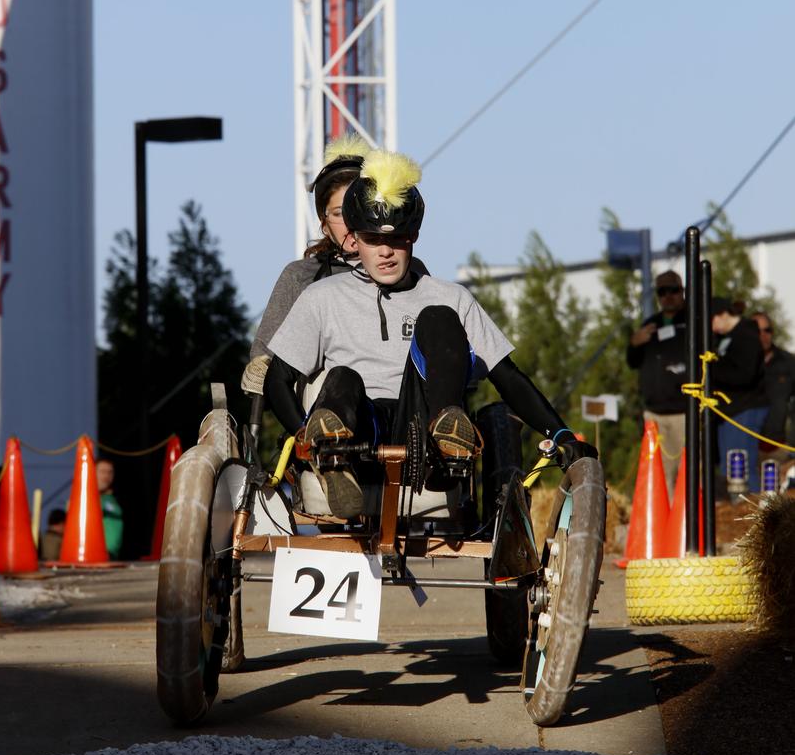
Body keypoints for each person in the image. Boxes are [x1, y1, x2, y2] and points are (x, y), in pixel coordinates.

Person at [263, 149, 597, 517]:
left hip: (420, 438)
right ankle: (330, 456)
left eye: (399, 239)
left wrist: (561, 433)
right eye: (374, 240)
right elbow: (277, 379)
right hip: (358, 437)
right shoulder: (320, 297)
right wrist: (300, 435)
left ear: (415, 237)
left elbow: (507, 376)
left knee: (438, 316)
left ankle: (447, 438)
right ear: (355, 240)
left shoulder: (450, 296)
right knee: (342, 377)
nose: (387, 252)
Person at [242, 133, 428, 396]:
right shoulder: (302, 276)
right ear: (323, 221)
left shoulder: (410, 269)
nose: (351, 222)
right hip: (329, 397)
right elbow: (265, 356)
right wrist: (263, 366)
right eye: (340, 214)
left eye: (358, 211)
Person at [626, 270, 687, 495]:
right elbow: (632, 362)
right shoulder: (651, 324)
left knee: (689, 473)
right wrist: (634, 343)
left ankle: (690, 523)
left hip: (685, 412)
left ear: (682, 292)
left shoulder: (693, 321)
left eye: (673, 290)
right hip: (656, 413)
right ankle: (668, 524)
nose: (668, 296)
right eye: (662, 291)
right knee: (661, 474)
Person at [709, 298, 767, 493]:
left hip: (745, 408)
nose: (711, 326)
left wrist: (713, 369)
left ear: (723, 314)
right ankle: (737, 511)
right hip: (730, 411)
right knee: (730, 469)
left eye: (711, 320)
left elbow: (745, 374)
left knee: (742, 467)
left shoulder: (746, 336)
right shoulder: (726, 338)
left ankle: (753, 514)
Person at [751, 312, 795, 451]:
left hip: (781, 447)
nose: (763, 335)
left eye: (767, 330)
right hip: (745, 445)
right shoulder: (738, 365)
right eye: (757, 331)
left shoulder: (789, 362)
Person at [96, 459, 124, 559]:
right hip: (97, 556)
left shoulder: (113, 497)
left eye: (110, 472)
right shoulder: (86, 498)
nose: (106, 476)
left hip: (113, 556)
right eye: (103, 472)